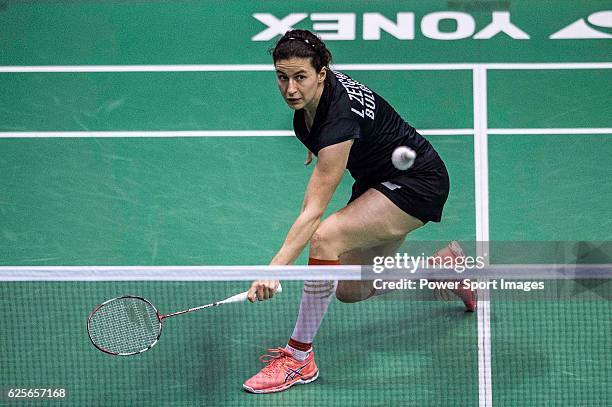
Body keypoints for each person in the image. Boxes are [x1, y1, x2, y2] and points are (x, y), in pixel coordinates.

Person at [243, 29, 475, 394]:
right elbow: (333, 134)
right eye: (282, 77)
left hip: (417, 182)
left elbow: (312, 212)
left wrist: (275, 269)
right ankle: (436, 269)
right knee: (351, 288)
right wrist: (320, 146)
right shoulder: (319, 102)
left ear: (322, 73)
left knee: (325, 238)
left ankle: (298, 358)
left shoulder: (337, 120)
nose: (290, 89)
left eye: (300, 77)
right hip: (378, 179)